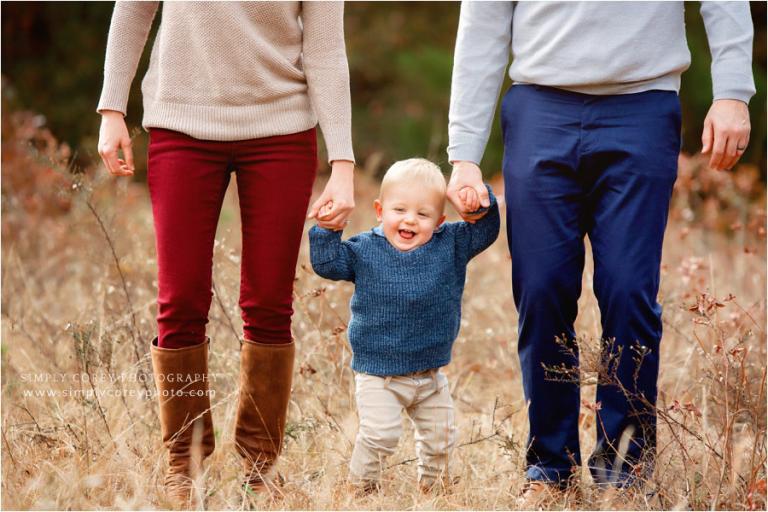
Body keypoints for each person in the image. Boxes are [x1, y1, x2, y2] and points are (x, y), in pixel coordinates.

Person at [446, 1, 755, 506]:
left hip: (642, 107)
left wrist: (732, 92)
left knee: (629, 290)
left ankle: (625, 470)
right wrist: (463, 155)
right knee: (542, 290)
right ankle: (549, 467)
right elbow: (482, 25)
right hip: (540, 107)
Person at [96, 1, 355, 506]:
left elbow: (325, 49)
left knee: (269, 303)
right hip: (181, 124)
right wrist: (112, 107)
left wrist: (342, 160)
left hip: (281, 128)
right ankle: (183, 463)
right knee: (181, 299)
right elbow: (132, 11)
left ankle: (260, 466)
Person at [308, 158, 500, 493]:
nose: (410, 219)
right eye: (400, 210)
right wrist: (327, 229)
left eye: (423, 214)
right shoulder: (365, 249)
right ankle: (360, 487)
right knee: (380, 435)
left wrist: (476, 203)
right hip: (379, 373)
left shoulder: (451, 244)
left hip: (429, 374)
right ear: (380, 211)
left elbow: (485, 230)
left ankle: (434, 489)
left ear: (439, 220)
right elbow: (327, 264)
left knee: (441, 438)